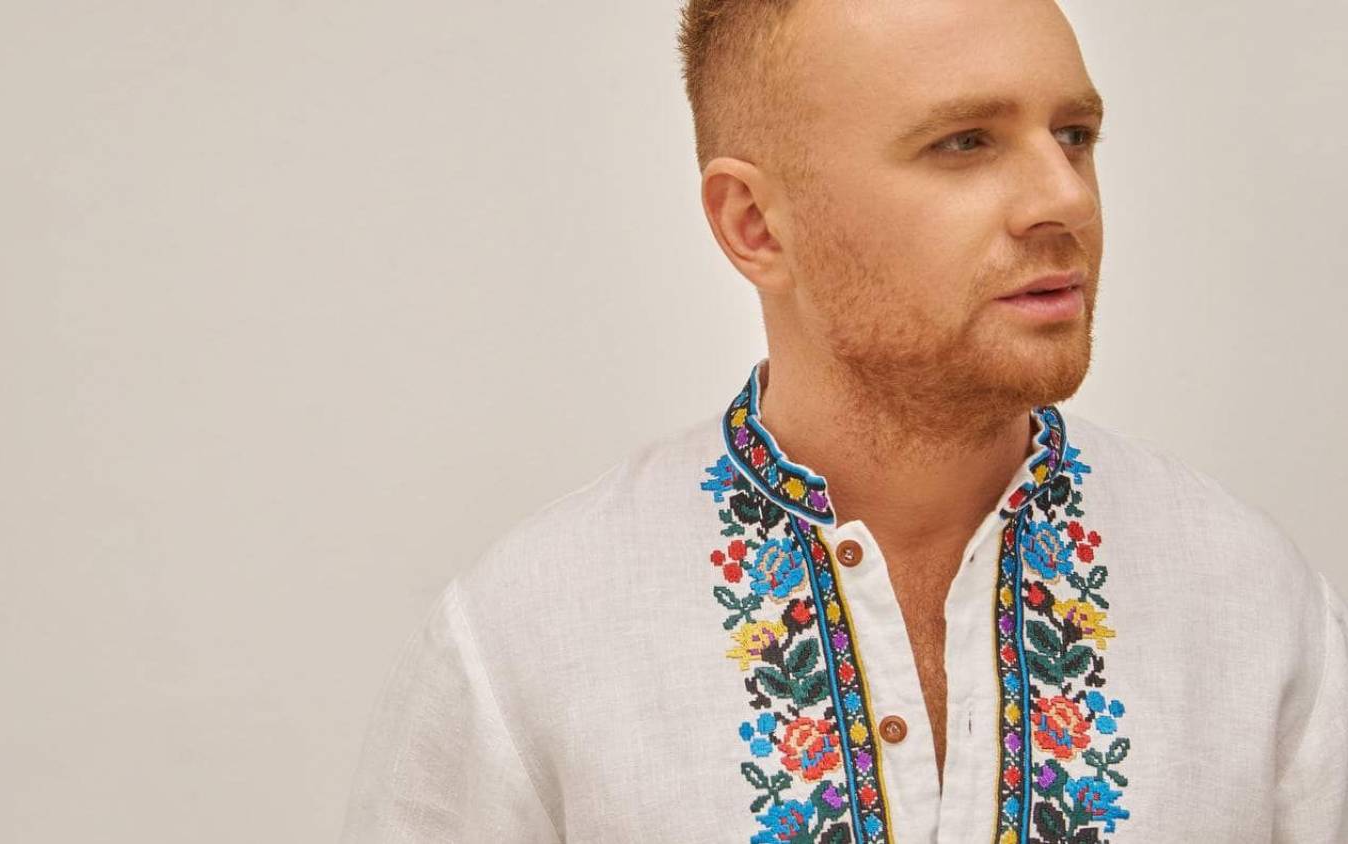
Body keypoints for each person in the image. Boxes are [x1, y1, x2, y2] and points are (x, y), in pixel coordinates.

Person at [340, 1, 1348, 841]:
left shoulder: (1256, 612)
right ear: (754, 224)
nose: (1063, 198)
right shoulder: (528, 648)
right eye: (964, 142)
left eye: (1073, 135)